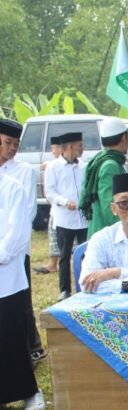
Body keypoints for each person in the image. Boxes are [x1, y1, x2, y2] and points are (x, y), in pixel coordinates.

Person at [0, 171, 45, 410]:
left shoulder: (11, 187)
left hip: (5, 279)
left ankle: (29, 392)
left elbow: (17, 233)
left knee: (11, 339)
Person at [0, 119, 44, 361]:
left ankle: (32, 344)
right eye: (7, 142)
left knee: (21, 300)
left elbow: (28, 212)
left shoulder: (23, 171)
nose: (12, 148)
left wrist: (8, 248)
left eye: (15, 144)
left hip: (17, 247)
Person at [44, 132, 88, 301]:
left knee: (85, 253)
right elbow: (49, 192)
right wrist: (64, 201)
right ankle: (65, 290)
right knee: (64, 255)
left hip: (83, 218)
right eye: (79, 145)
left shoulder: (83, 166)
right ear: (70, 147)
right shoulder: (53, 167)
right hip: (64, 218)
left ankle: (85, 285)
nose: (82, 149)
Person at [79, 117, 128, 239]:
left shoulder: (99, 160)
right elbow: (109, 207)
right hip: (107, 234)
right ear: (124, 138)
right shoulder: (110, 166)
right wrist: (125, 233)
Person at [35, 135, 64, 275]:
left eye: (53, 148)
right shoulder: (53, 164)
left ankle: (55, 264)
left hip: (64, 207)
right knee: (53, 236)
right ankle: (53, 263)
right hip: (57, 207)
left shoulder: (57, 165)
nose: (52, 152)